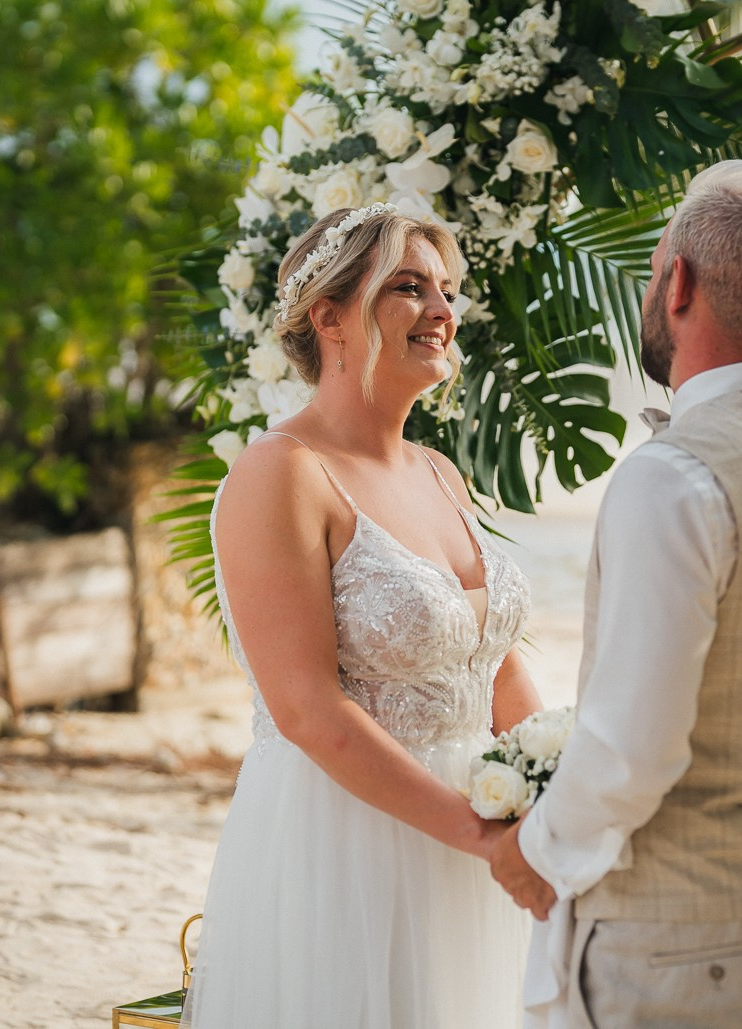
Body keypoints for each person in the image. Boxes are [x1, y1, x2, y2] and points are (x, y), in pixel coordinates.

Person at [490, 160, 742, 1029]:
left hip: (687, 952)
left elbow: (633, 749)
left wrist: (540, 850)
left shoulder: (671, 478)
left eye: (651, 268)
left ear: (678, 281)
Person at [186, 203, 538, 1028]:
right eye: (410, 288)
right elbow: (307, 708)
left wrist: (551, 794)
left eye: (447, 290)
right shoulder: (280, 475)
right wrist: (479, 834)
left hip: (475, 843)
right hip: (345, 845)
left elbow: (496, 664)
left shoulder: (441, 472)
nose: (445, 312)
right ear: (330, 316)